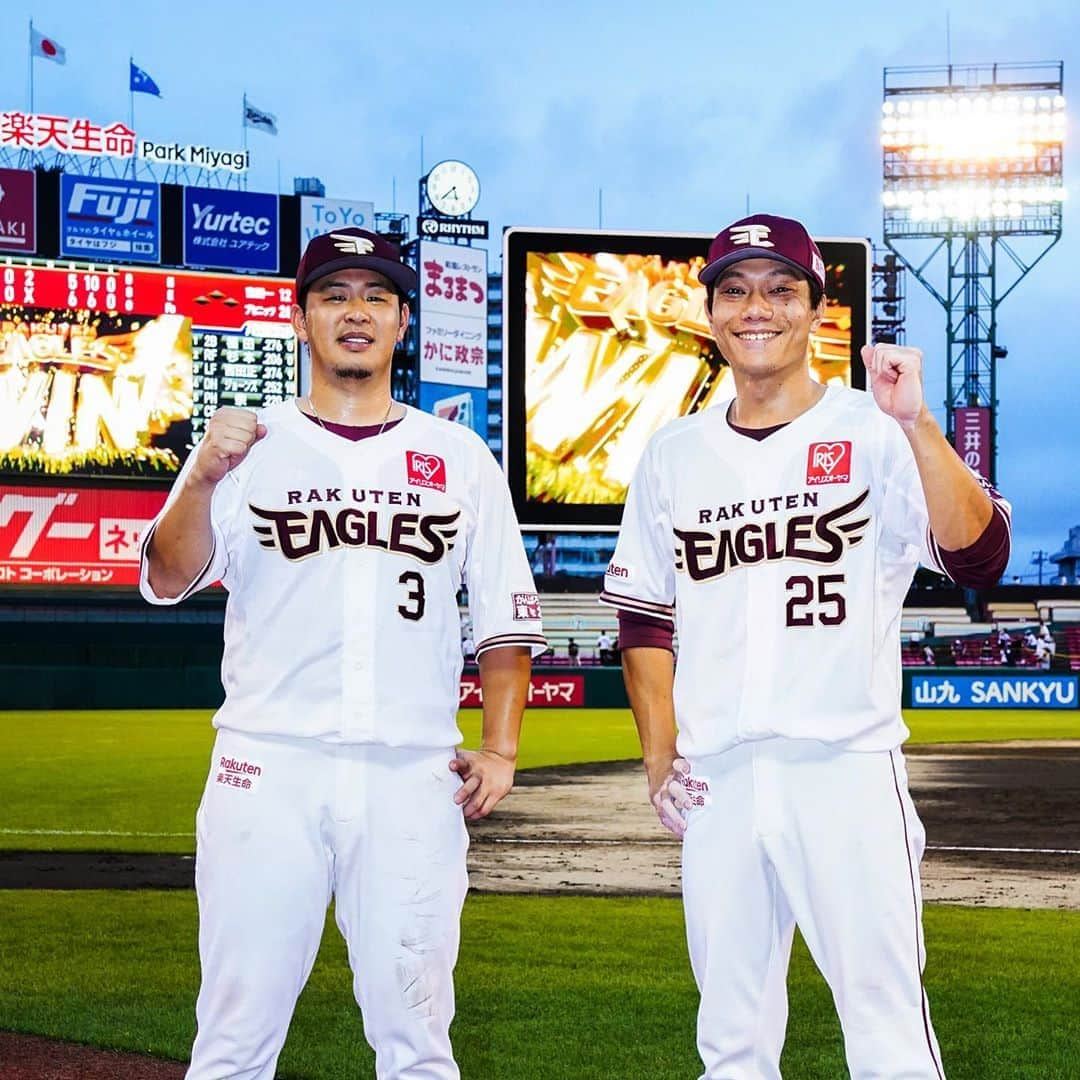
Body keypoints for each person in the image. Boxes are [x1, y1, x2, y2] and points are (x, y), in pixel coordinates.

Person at [601, 213, 1011, 1080]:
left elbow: (981, 555)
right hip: (719, 779)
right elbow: (644, 619)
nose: (759, 308)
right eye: (737, 290)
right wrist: (658, 756)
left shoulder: (878, 430)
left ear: (818, 309)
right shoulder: (674, 454)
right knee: (733, 1045)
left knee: (887, 1031)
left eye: (782, 289)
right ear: (710, 312)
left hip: (845, 770)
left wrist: (920, 427)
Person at [140, 227, 545, 1080]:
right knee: (235, 1034)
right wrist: (200, 476)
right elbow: (169, 578)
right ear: (300, 318)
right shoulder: (245, 448)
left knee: (418, 1036)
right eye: (333, 295)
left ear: (402, 320)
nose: (355, 312)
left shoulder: (459, 457)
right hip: (268, 765)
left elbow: (505, 619)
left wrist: (503, 747)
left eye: (375, 297)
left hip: (410, 775)